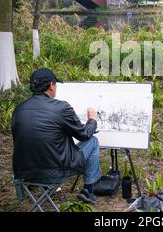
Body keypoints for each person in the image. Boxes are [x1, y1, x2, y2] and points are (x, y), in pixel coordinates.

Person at [12, 68, 101, 204]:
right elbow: (84, 135)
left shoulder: (19, 109)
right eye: (55, 84)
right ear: (51, 85)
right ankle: (88, 190)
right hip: (54, 172)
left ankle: (47, 190)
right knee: (93, 141)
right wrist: (92, 120)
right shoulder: (61, 108)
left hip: (24, 173)